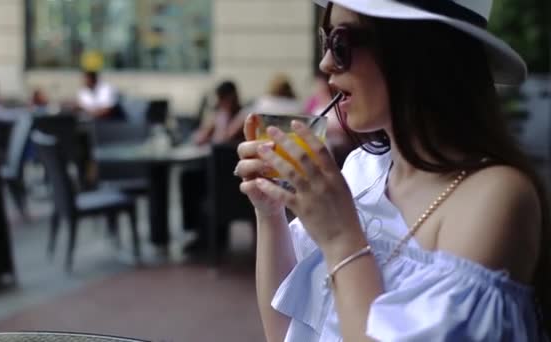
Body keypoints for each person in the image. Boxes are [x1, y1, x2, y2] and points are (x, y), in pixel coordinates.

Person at [235, 0, 549, 341]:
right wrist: (270, 214)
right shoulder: (361, 170)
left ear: (417, 51)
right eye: (325, 41)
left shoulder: (495, 198)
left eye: (341, 44)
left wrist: (342, 237)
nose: (326, 63)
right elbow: (285, 332)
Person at [181, 80, 244, 251]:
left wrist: (222, 117)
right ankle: (197, 234)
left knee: (195, 181)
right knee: (188, 177)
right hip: (215, 170)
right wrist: (210, 122)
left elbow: (223, 139)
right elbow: (200, 138)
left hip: (233, 177)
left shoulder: (242, 116)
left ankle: (209, 238)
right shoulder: (219, 115)